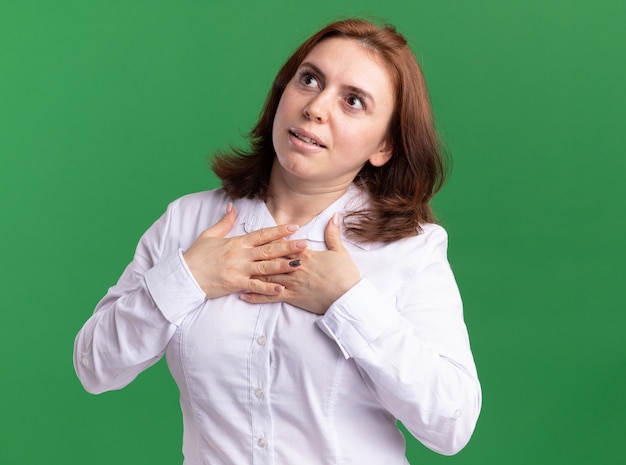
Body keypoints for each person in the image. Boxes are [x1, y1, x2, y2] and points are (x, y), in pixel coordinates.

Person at [74, 18, 481, 465]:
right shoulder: (186, 222)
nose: (317, 107)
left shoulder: (411, 250)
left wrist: (348, 301)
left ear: (383, 146)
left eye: (353, 101)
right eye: (309, 79)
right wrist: (189, 277)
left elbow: (452, 424)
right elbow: (94, 366)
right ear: (282, 92)